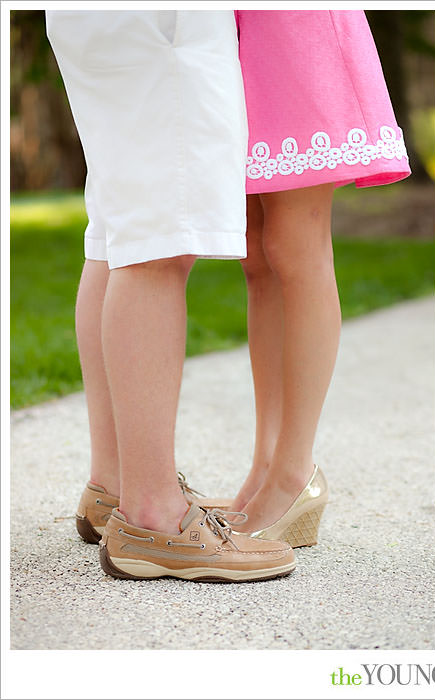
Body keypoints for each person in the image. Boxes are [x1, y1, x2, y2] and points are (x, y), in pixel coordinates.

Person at [48, 10, 296, 581]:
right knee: (160, 240)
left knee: (118, 233)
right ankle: (154, 516)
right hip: (164, 22)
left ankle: (115, 485)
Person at [226, 10, 411, 543]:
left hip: (291, 26)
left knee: (294, 243)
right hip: (234, 30)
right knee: (255, 252)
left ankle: (294, 469)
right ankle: (266, 464)